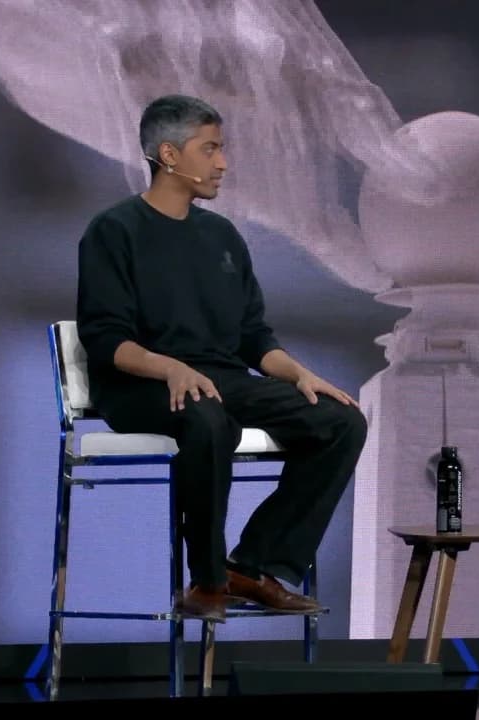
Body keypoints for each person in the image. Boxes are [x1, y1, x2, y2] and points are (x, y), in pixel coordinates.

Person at [76, 94, 368, 622]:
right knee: (209, 421)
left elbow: (253, 338)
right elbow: (106, 341)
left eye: (222, 149)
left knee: (341, 421)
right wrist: (171, 367)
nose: (223, 163)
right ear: (168, 155)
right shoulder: (114, 231)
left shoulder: (223, 236)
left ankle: (253, 566)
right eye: (210, 149)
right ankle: (207, 581)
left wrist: (299, 373)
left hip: (220, 379)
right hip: (141, 386)